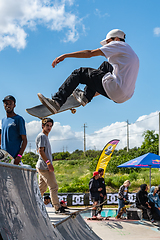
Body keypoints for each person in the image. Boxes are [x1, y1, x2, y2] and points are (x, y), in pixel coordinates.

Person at [37, 29, 139, 114]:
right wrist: (92, 91)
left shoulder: (118, 45)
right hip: (123, 96)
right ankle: (86, 96)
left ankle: (57, 102)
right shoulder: (130, 54)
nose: (107, 45)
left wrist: (65, 55)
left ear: (116, 39)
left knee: (80, 73)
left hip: (116, 89)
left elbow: (89, 53)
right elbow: (102, 85)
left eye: (108, 42)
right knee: (106, 66)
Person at [36, 118, 66, 213]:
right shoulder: (42, 136)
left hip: (41, 166)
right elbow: (41, 151)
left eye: (50, 126)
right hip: (44, 166)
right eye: (47, 126)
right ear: (42, 126)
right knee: (53, 187)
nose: (49, 128)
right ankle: (57, 207)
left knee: (41, 188)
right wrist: (48, 163)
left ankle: (35, 204)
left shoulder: (44, 136)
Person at [0, 95, 27, 165]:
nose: (8, 105)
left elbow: (24, 140)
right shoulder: (3, 120)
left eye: (10, 103)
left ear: (14, 105)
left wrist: (19, 156)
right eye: (6, 103)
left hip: (14, 158)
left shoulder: (19, 119)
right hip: (3, 158)